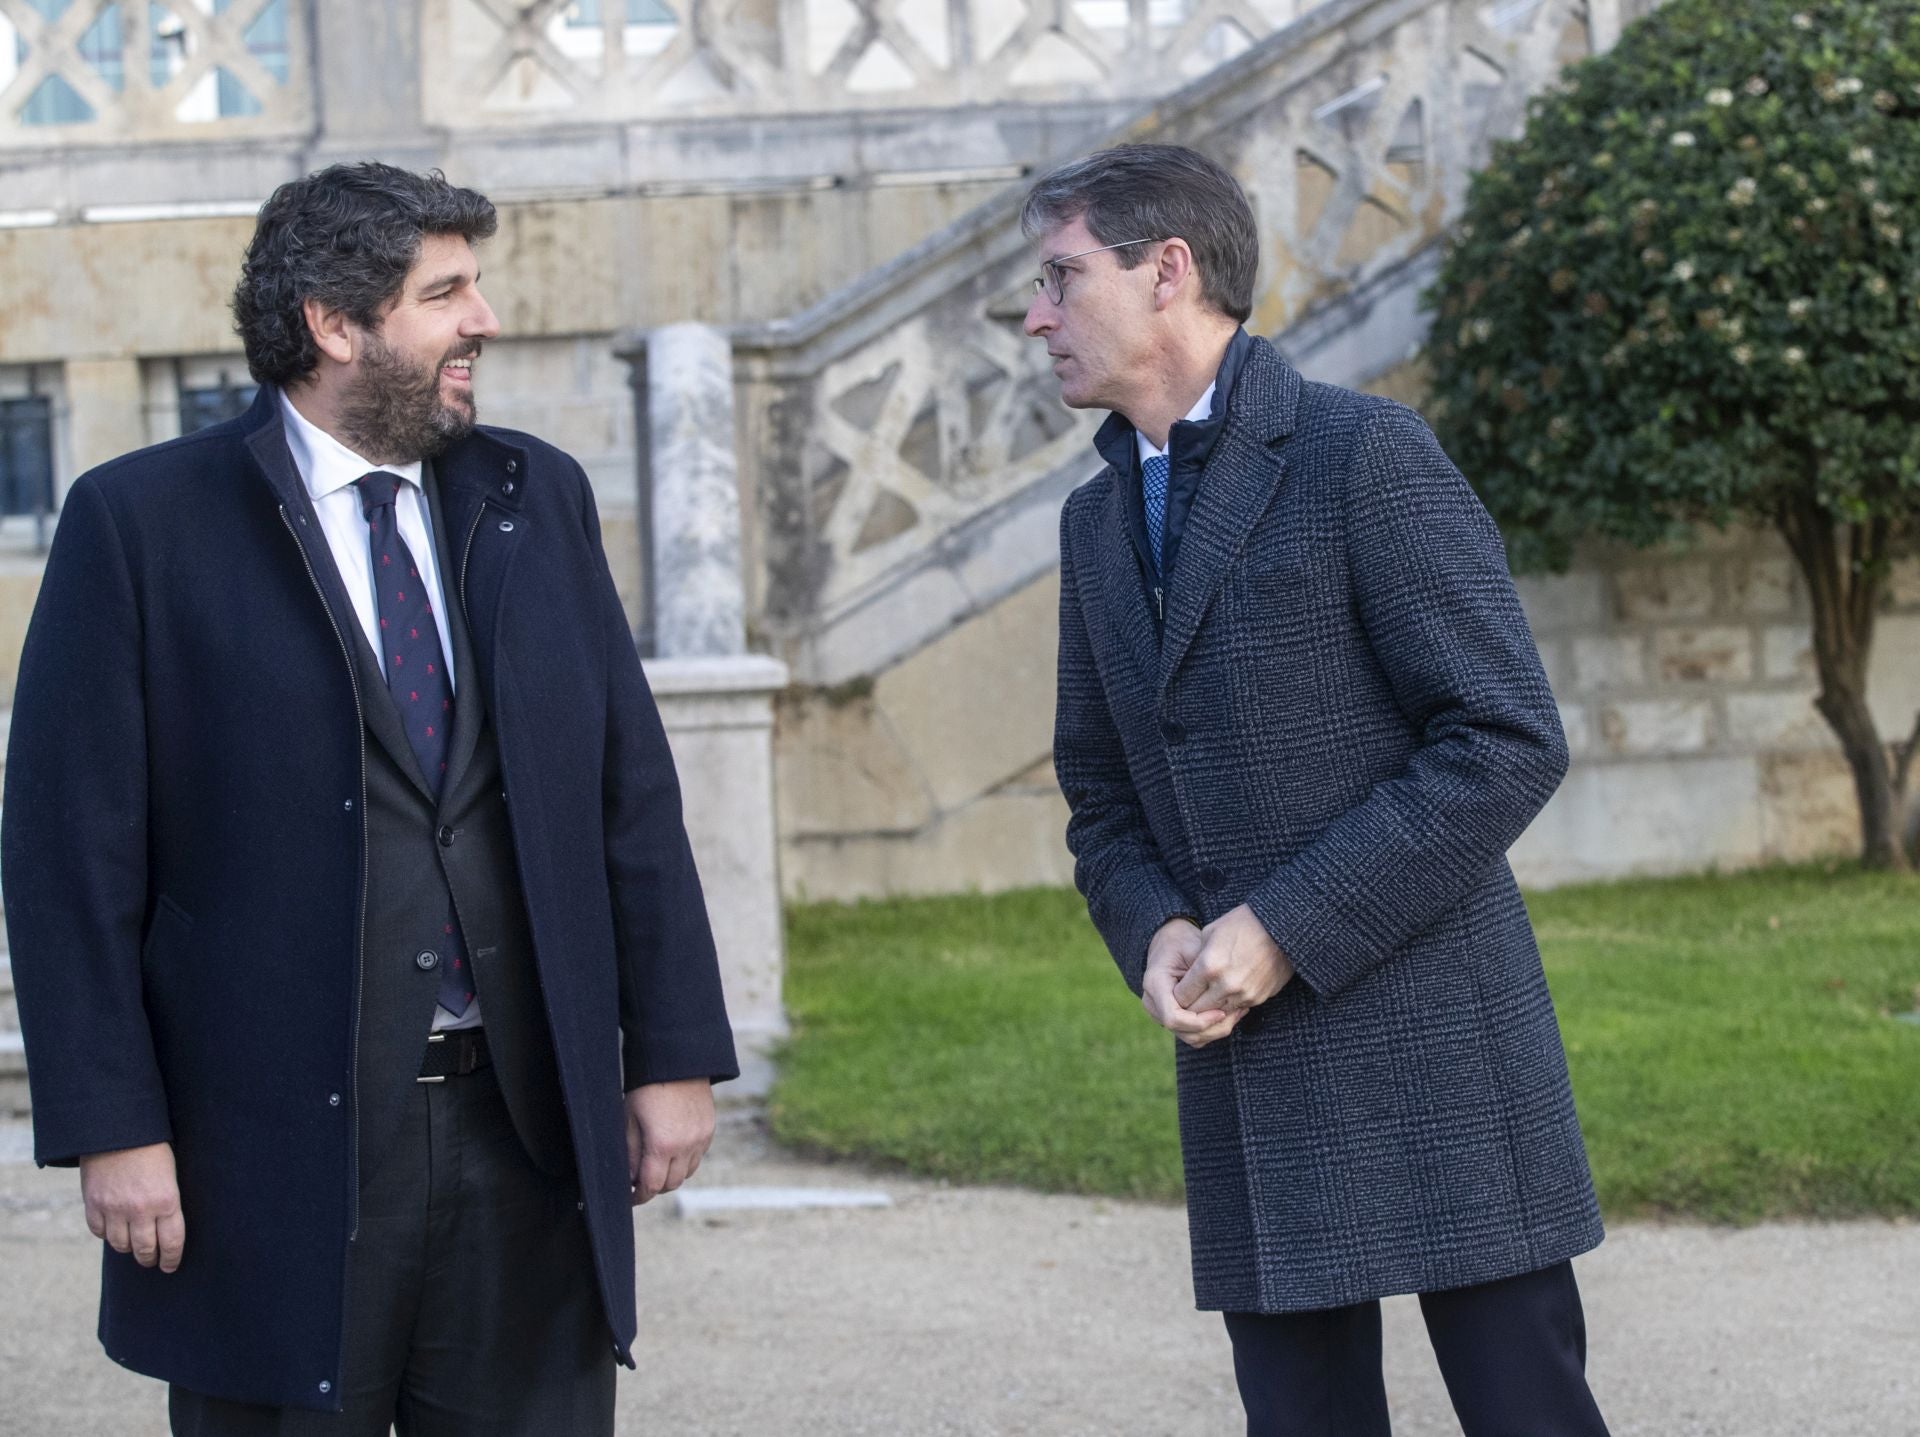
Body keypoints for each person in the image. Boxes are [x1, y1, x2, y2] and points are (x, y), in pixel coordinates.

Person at [3, 162, 737, 1435]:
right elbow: (69, 854)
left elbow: (630, 795)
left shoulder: (535, 496)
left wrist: (672, 1051)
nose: (485, 319)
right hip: (272, 1153)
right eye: (445, 292)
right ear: (334, 327)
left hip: (527, 1138)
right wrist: (111, 1125)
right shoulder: (139, 523)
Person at [1026, 143, 1611, 1436]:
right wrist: (1157, 929)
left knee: (1526, 1412)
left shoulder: (1362, 456)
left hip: (1438, 1040)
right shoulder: (1094, 522)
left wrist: (1283, 927)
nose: (1037, 312)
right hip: (1250, 1066)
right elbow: (1101, 793)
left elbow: (1505, 736)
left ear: (1167, 270)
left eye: (1063, 277)